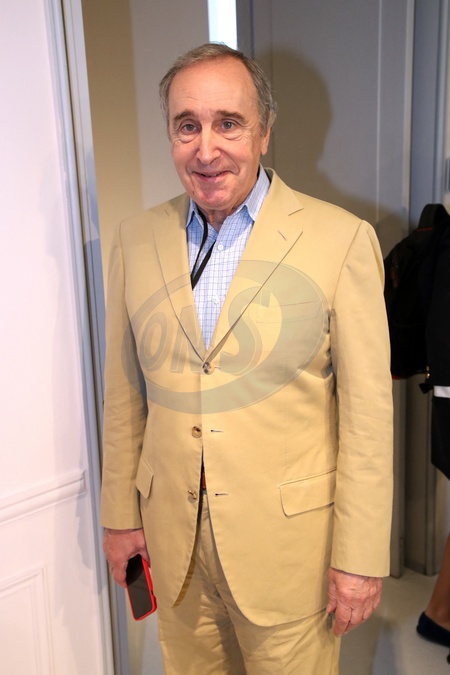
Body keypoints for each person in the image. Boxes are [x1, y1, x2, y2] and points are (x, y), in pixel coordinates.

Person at [101, 43, 393, 674]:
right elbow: (124, 394)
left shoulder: (342, 240)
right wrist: (120, 518)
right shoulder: (135, 238)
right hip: (175, 549)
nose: (206, 150)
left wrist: (360, 557)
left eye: (228, 123)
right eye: (187, 126)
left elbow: (369, 419)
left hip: (289, 555)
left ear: (264, 131)